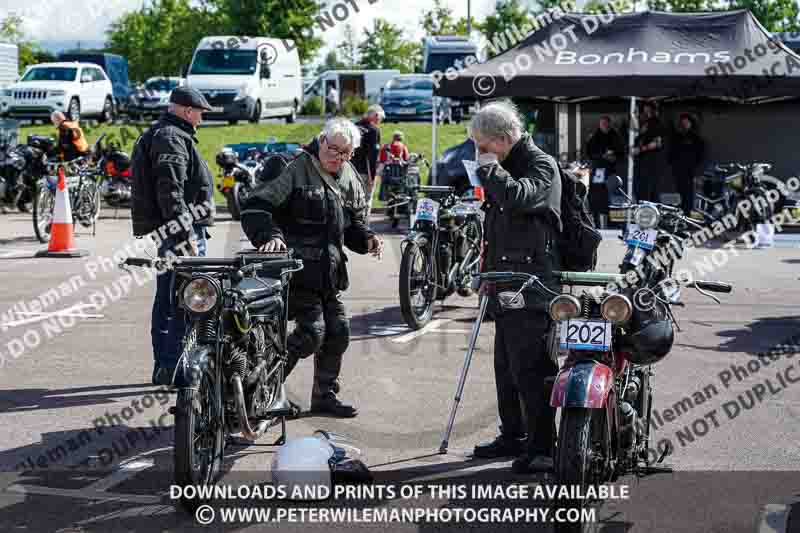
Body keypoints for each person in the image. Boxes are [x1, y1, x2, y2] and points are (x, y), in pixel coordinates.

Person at [240, 118, 384, 417]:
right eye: (333, 149)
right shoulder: (289, 166)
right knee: (311, 333)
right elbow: (256, 207)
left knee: (339, 332)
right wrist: (270, 237)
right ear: (321, 141)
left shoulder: (348, 176)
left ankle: (324, 396)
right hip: (292, 270)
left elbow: (351, 225)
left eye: (345, 153)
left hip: (328, 273)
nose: (338, 158)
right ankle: (262, 392)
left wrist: (368, 240)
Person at [469, 100, 562, 474]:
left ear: (505, 139)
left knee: (532, 368)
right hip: (505, 280)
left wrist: (491, 171)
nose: (479, 155)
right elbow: (498, 224)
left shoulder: (542, 164)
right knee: (506, 367)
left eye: (484, 146)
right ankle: (514, 434)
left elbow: (520, 198)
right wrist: (486, 273)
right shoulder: (505, 165)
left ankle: (543, 446)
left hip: (533, 282)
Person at [130, 86, 215, 386]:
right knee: (180, 300)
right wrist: (184, 234)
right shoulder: (171, 137)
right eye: (200, 112)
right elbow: (171, 192)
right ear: (187, 110)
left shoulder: (171, 135)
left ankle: (169, 366)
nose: (202, 118)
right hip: (179, 233)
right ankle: (172, 368)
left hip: (176, 231)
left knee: (175, 299)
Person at [585, 116, 624, 228]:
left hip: (612, 171)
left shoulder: (615, 136)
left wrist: (613, 156)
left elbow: (621, 152)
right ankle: (596, 221)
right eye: (602, 124)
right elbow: (590, 153)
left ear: (609, 124)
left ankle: (613, 222)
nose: (605, 126)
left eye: (606, 124)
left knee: (612, 197)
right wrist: (602, 156)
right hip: (599, 169)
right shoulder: (594, 137)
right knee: (597, 195)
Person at [351, 105, 384, 223]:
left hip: (349, 170)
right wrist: (373, 177)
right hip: (365, 172)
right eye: (380, 118)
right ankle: (364, 228)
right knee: (366, 201)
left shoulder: (353, 126)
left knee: (351, 200)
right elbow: (372, 156)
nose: (380, 122)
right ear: (375, 116)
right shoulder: (373, 130)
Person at [669, 113, 705, 215]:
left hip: (690, 170)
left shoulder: (696, 138)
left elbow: (700, 154)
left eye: (686, 122)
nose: (684, 124)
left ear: (691, 123)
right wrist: (673, 163)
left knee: (688, 193)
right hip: (679, 170)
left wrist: (695, 168)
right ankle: (681, 213)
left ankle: (687, 213)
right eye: (683, 122)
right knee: (680, 192)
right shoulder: (677, 137)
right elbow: (672, 152)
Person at [633, 102, 665, 202]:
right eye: (645, 109)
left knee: (649, 190)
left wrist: (641, 149)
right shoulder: (644, 123)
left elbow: (657, 143)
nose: (646, 112)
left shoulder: (656, 123)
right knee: (641, 190)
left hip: (651, 162)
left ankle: (650, 213)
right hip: (641, 163)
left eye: (648, 109)